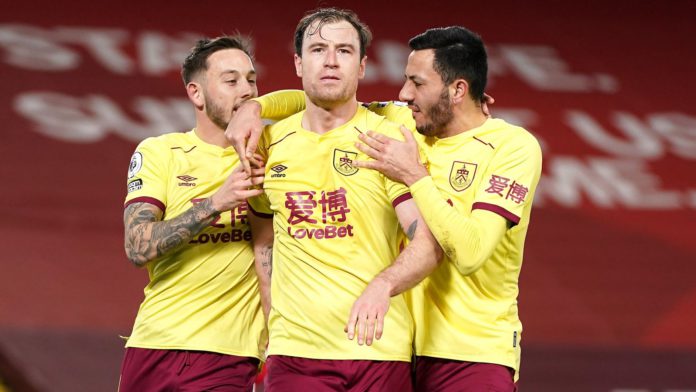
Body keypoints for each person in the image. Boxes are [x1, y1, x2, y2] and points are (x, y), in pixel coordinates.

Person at [245, 8, 442, 392]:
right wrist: (273, 321)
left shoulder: (386, 141)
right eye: (318, 49)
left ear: (363, 66)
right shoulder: (269, 145)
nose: (331, 61)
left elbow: (429, 242)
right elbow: (263, 237)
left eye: (344, 51)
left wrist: (383, 285)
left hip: (378, 352)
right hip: (296, 356)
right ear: (299, 64)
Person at [353, 27, 542, 391]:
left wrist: (414, 175)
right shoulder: (406, 121)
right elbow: (327, 101)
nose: (404, 94)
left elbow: (471, 253)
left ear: (458, 90)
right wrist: (257, 107)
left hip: (473, 356)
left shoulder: (512, 147)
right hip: (395, 351)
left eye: (417, 83)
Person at [119, 36, 267, 392]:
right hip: (154, 344)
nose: (246, 91)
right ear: (196, 94)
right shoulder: (161, 152)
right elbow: (137, 247)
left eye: (251, 79)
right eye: (231, 81)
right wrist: (215, 204)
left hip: (229, 354)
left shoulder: (274, 152)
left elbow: (308, 100)